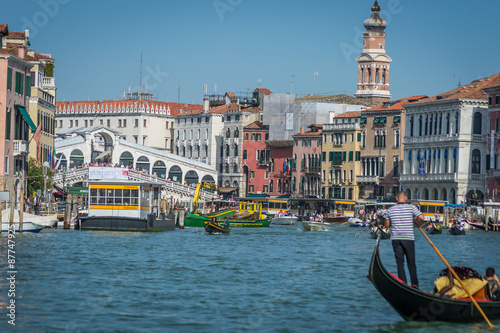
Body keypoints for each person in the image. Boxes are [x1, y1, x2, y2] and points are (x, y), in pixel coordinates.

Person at [385, 191, 425, 288]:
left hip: (396, 238)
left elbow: (386, 225)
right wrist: (415, 220)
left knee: (400, 263)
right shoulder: (411, 207)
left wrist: (392, 223)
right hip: (408, 238)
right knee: (411, 262)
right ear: (405, 198)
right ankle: (414, 284)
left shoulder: (390, 209)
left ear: (397, 199)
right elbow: (422, 217)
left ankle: (403, 284)